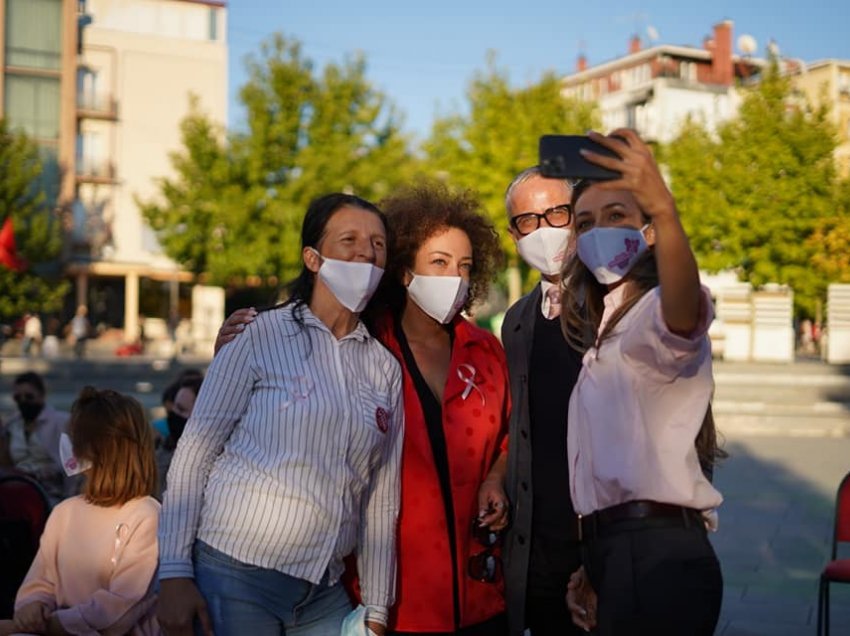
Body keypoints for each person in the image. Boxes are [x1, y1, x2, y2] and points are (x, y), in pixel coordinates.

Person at [217, 182, 511, 635]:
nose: (455, 278)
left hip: (479, 596)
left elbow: (510, 435)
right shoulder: (365, 344)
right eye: (439, 262)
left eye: (465, 266)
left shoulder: (486, 351)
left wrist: (496, 476)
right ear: (405, 272)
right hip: (389, 597)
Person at [157, 193, 403, 636]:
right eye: (348, 239)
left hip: (324, 591)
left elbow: (381, 497)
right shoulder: (257, 334)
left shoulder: (384, 368)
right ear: (312, 257)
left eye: (378, 244)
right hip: (234, 576)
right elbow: (194, 453)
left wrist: (378, 608)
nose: (366, 251)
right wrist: (173, 570)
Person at [560, 129, 723, 635]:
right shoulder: (607, 328)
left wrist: (666, 209)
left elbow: (683, 310)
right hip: (620, 553)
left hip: (657, 555)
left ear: (648, 231)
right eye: (585, 223)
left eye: (617, 216)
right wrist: (594, 560)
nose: (599, 232)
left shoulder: (654, 314)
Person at [499, 166, 585, 636]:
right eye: (528, 220)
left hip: (599, 549)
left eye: (555, 213)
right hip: (535, 552)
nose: (544, 229)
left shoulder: (616, 305)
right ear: (514, 234)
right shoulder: (516, 320)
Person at [0, 387, 160, 636]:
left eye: (76, 439)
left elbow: (116, 612)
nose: (69, 448)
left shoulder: (147, 515)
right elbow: (39, 582)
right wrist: (32, 606)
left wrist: (43, 626)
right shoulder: (64, 512)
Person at [0, 372, 70, 503]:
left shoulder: (61, 422)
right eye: (18, 398)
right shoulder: (12, 425)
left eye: (29, 396)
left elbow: (73, 463)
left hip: (53, 492)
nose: (23, 401)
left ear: (42, 395)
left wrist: (52, 471)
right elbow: (6, 463)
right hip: (18, 488)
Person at [155, 374, 203, 498]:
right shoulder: (163, 446)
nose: (174, 414)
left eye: (182, 410)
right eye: (175, 407)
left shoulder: (201, 464)